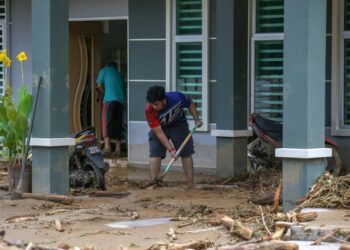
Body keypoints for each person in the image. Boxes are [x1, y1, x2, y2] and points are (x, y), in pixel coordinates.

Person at [145, 85, 202, 188]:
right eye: (152, 104)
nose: (154, 107)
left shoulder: (176, 97)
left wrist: (196, 119)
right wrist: (171, 149)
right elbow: (159, 133)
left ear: (163, 100)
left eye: (157, 104)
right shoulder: (149, 109)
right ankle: (152, 184)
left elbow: (190, 104)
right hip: (160, 128)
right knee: (155, 153)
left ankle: (190, 184)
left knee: (186, 153)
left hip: (179, 125)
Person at [96, 61, 124, 157]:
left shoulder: (104, 71)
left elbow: (99, 85)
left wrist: (103, 94)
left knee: (106, 122)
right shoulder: (119, 74)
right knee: (117, 123)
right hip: (120, 101)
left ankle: (107, 147)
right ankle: (118, 149)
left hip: (109, 99)